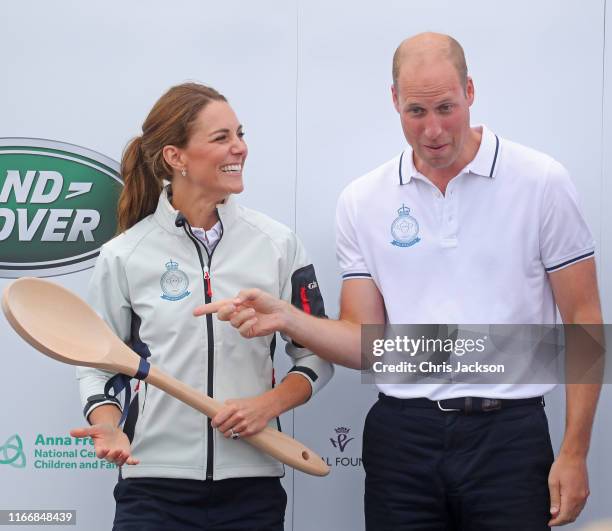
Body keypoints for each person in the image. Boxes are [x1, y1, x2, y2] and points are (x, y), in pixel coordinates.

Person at [195, 33, 603, 529]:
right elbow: (365, 344)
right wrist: (288, 318)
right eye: (416, 111)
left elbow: (583, 320)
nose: (433, 130)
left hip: (509, 437)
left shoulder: (541, 181)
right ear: (394, 101)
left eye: (446, 108)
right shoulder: (363, 200)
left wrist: (575, 452)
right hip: (403, 438)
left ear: (470, 91)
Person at [71, 82, 333, 531]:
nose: (240, 148)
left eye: (240, 133)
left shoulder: (276, 244)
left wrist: (266, 405)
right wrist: (108, 422)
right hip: (152, 487)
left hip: (252, 487)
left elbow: (317, 354)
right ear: (176, 157)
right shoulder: (126, 254)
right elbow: (97, 364)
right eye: (221, 138)